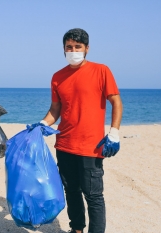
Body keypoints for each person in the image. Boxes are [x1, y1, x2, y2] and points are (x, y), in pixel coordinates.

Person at [33, 28, 123, 233]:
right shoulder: (57, 77)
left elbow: (116, 102)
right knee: (71, 191)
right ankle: (77, 229)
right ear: (63, 49)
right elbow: (55, 110)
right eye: (69, 47)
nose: (73, 51)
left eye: (78, 47)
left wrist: (114, 132)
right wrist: (42, 124)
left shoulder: (102, 71)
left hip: (91, 146)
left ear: (87, 49)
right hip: (64, 145)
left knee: (93, 195)